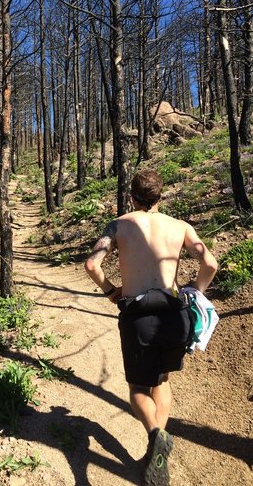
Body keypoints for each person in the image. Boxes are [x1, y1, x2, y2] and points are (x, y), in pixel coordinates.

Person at [84, 169, 218, 486]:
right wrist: (194, 291)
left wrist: (110, 291)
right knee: (162, 379)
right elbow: (210, 263)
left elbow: (92, 264)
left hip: (139, 317)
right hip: (175, 315)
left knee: (138, 390)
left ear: (131, 197)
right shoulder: (180, 226)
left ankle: (157, 435)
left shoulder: (118, 225)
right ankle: (157, 451)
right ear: (161, 197)